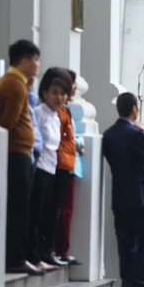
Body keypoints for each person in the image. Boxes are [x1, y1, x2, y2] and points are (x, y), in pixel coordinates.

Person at [102, 92, 144, 287]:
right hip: (140, 196)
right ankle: (135, 282)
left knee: (125, 243)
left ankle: (126, 281)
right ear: (134, 109)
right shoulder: (136, 134)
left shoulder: (108, 134)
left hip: (119, 195)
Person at [0, 40, 44, 276]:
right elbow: (8, 122)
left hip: (17, 153)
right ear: (25, 61)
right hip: (15, 154)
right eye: (35, 60)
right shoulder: (15, 85)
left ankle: (16, 256)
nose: (37, 65)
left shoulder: (14, 82)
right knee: (18, 209)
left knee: (20, 207)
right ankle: (15, 258)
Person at [30, 69, 73, 270]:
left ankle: (47, 252)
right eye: (55, 92)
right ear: (45, 92)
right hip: (39, 168)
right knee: (36, 212)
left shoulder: (57, 116)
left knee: (50, 212)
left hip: (51, 169)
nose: (59, 98)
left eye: (63, 93)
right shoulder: (39, 113)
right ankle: (35, 252)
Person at [54, 69, 84, 266]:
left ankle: (61, 249)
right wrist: (78, 144)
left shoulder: (67, 111)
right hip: (62, 164)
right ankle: (59, 250)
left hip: (69, 164)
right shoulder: (60, 111)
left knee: (66, 209)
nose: (74, 88)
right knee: (60, 209)